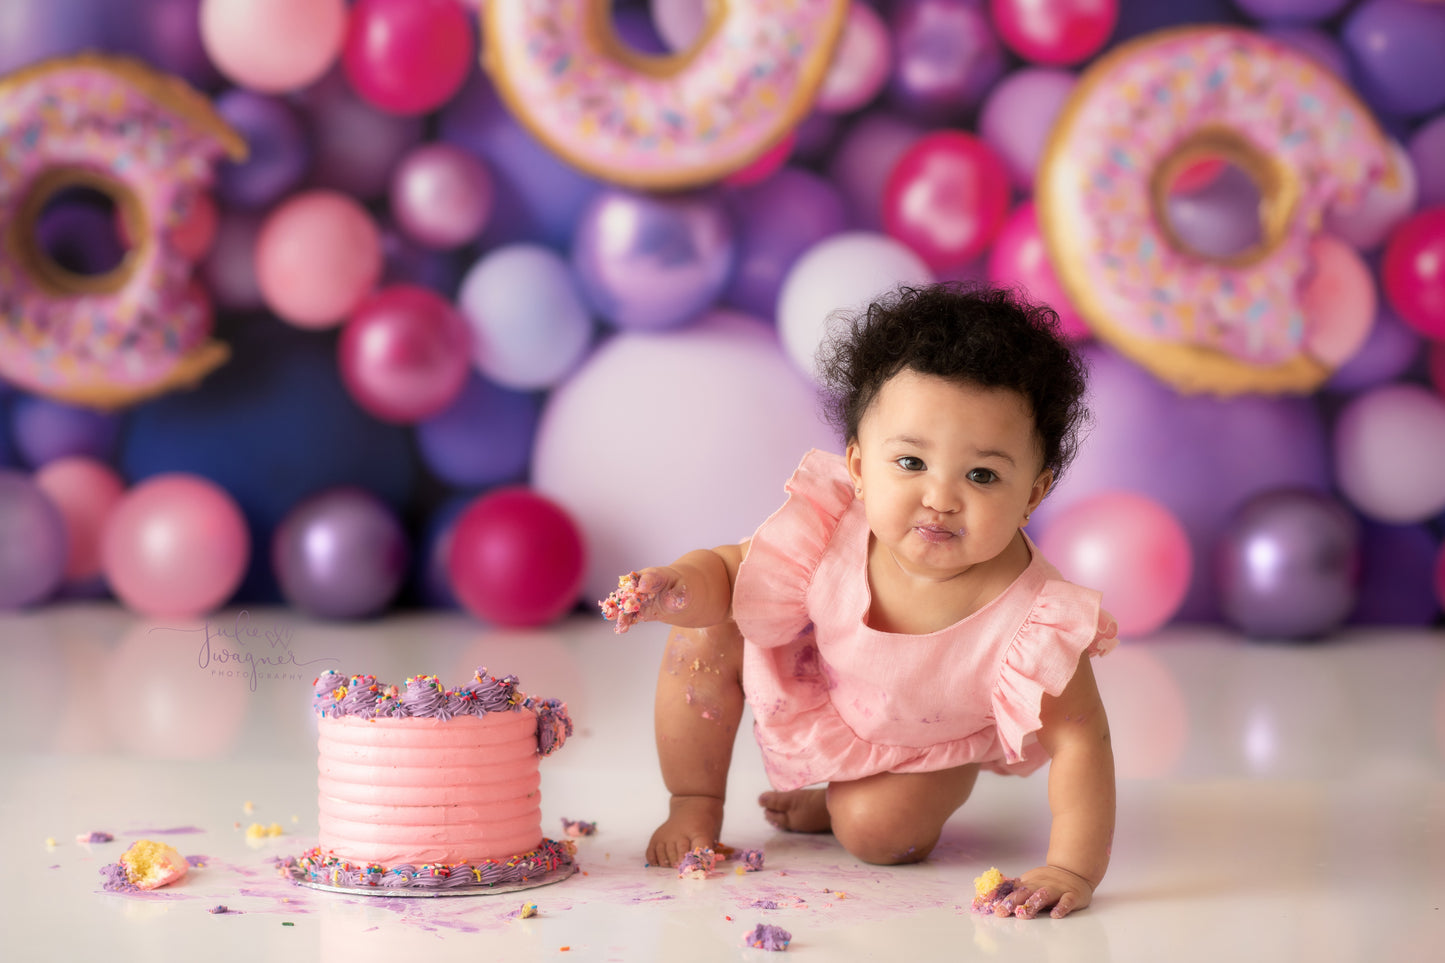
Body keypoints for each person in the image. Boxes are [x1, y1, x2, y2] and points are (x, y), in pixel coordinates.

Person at [604, 283, 1118, 920]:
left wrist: (1071, 866)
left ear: (1034, 494)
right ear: (857, 466)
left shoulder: (1035, 618)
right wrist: (678, 585)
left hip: (926, 737)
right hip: (827, 677)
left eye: (982, 475)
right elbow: (731, 570)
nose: (941, 497)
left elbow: (1081, 741)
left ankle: (851, 797)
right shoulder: (833, 531)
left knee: (877, 834)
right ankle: (692, 800)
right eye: (909, 462)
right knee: (706, 627)